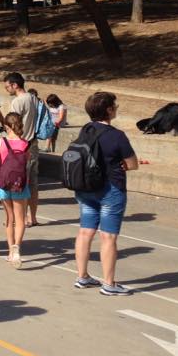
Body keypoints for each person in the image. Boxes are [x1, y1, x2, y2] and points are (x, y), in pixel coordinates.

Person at [73, 92, 138, 296]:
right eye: (114, 106)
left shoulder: (86, 129)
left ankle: (82, 276)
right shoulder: (116, 135)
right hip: (110, 189)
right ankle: (109, 283)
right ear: (108, 110)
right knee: (108, 236)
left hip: (85, 188)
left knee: (85, 232)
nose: (116, 108)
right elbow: (132, 164)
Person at [0, 113, 29, 269]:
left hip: (3, 183)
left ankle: (10, 251)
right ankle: (17, 248)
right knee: (20, 219)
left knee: (9, 217)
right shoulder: (25, 143)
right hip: (20, 184)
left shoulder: (0, 142)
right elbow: (25, 165)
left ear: (6, 127)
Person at [4, 72, 41, 226]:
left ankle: (22, 217)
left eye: (7, 86)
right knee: (33, 182)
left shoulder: (18, 102)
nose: (7, 89)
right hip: (33, 143)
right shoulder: (33, 98)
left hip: (20, 146)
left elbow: (13, 124)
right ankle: (33, 217)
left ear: (15, 85)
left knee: (20, 182)